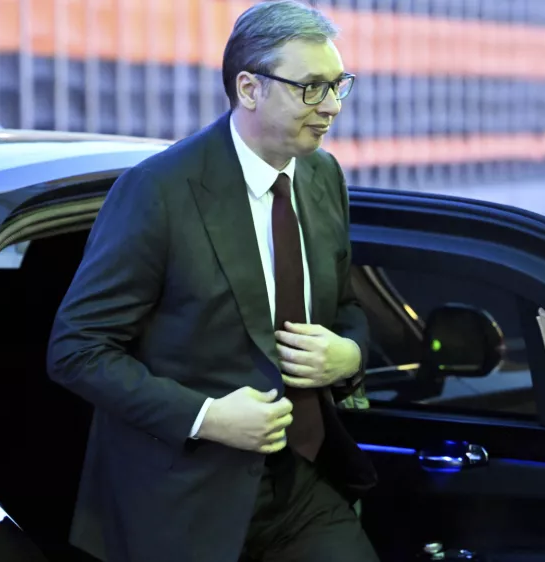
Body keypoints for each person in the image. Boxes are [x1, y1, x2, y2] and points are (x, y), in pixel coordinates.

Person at [46, 2, 378, 561]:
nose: (334, 107)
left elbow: (346, 307)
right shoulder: (160, 191)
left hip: (300, 482)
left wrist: (350, 354)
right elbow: (77, 351)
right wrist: (207, 417)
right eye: (313, 88)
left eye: (339, 85)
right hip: (183, 499)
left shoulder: (323, 175)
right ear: (250, 88)